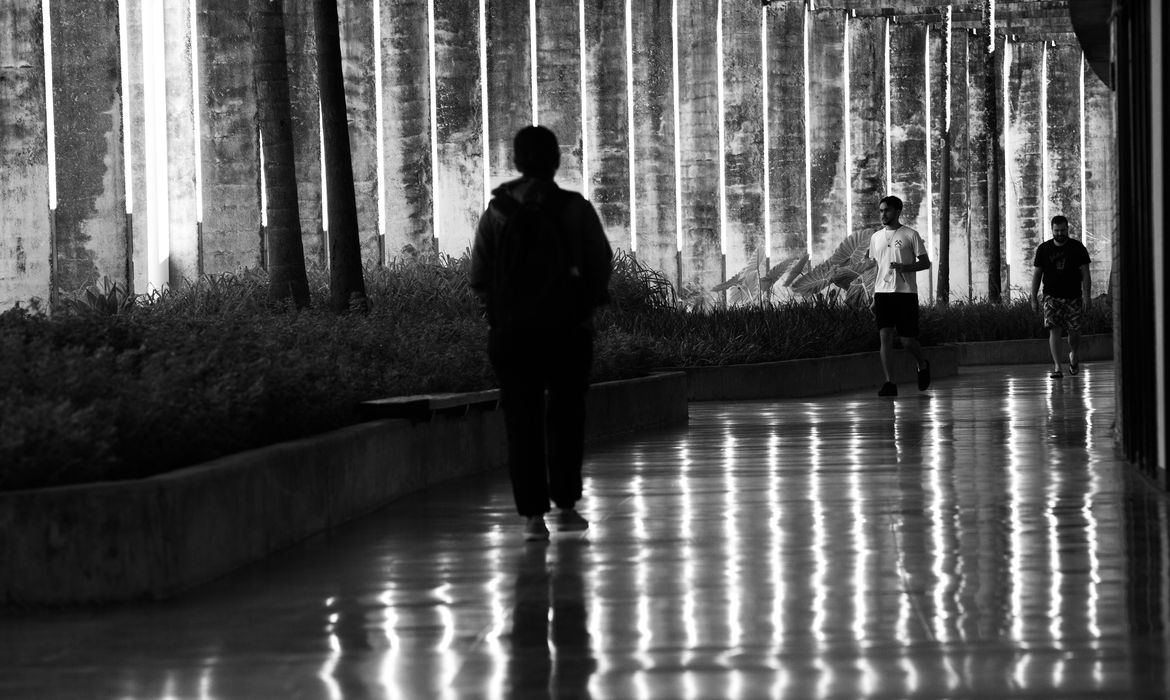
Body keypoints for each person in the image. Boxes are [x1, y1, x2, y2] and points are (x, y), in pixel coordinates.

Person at [470, 125, 614, 542]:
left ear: (516, 161)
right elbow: (600, 264)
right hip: (568, 331)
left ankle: (534, 518)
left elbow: (479, 274)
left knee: (522, 420)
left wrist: (504, 306)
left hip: (513, 334)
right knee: (567, 415)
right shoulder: (575, 209)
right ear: (556, 161)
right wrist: (583, 303)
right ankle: (566, 505)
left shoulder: (497, 213)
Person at [866, 195, 932, 397]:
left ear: (897, 212)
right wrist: (871, 294)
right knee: (884, 335)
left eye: (886, 210)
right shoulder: (876, 237)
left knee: (907, 341)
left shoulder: (910, 234)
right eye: (881, 210)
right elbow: (875, 266)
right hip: (882, 294)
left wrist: (906, 267)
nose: (883, 214)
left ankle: (922, 364)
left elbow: (925, 263)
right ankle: (889, 383)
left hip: (905, 293)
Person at [1030, 215, 1092, 379]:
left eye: (1063, 230)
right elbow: (1037, 275)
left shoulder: (1077, 248)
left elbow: (1085, 274)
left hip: (1073, 297)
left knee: (1074, 333)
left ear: (1067, 229)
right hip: (1051, 297)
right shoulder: (1043, 249)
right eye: (1056, 231)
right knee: (1054, 331)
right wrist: (1033, 297)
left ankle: (1073, 354)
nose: (1059, 233)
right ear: (1052, 230)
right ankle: (1057, 367)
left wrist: (1087, 296)